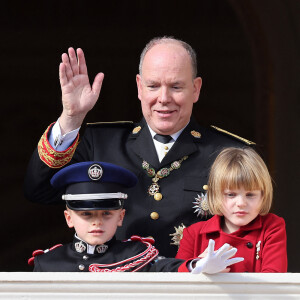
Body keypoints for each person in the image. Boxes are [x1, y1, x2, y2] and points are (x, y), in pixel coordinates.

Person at [24, 36, 254, 257]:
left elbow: (252, 236)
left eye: (176, 87)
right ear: (139, 87)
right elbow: (40, 190)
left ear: (196, 89)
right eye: (153, 86)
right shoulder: (102, 144)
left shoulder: (229, 153)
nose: (164, 98)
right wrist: (71, 117)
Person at [28, 161, 243, 273]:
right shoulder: (47, 262)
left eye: (106, 213)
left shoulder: (137, 255)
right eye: (86, 214)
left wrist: (196, 266)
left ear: (121, 217)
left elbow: (166, 270)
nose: (97, 221)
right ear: (68, 218)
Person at [176, 147, 287, 272]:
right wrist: (198, 265)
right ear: (215, 195)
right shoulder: (194, 234)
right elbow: (178, 281)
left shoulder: (271, 227)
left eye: (250, 195)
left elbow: (274, 280)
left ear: (263, 195)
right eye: (230, 194)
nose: (241, 203)